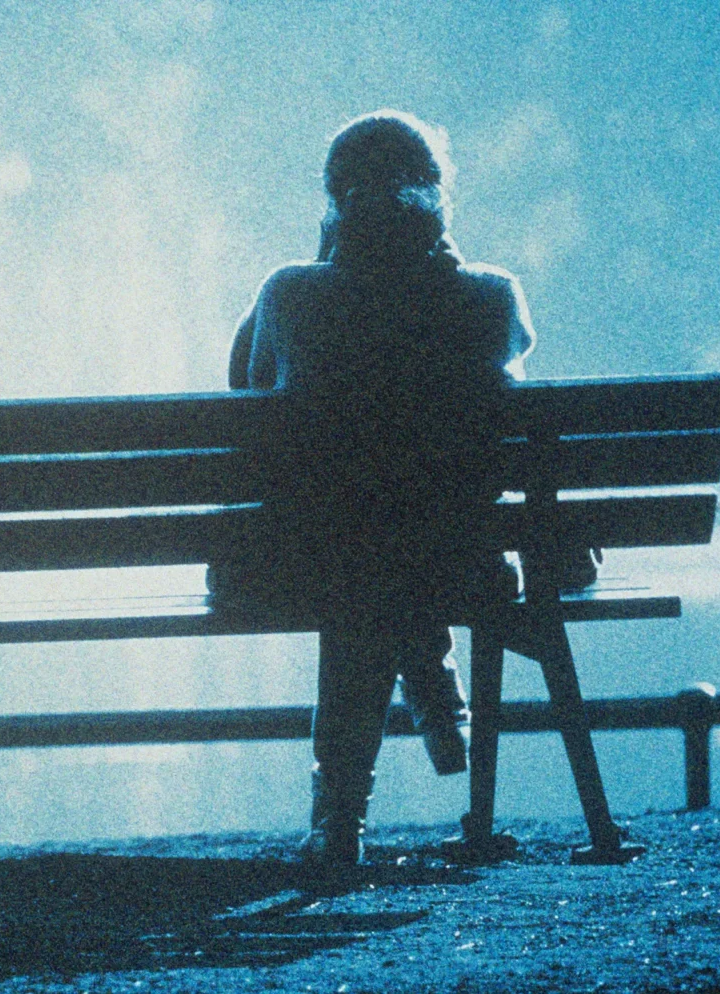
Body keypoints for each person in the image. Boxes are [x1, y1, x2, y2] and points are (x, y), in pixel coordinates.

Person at [231, 110, 535, 866]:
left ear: (335, 203)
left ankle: (339, 822)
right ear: (437, 197)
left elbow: (248, 390)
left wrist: (326, 258)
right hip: (459, 564)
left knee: (363, 552)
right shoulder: (491, 298)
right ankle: (437, 695)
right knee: (397, 541)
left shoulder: (292, 296)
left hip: (313, 565)